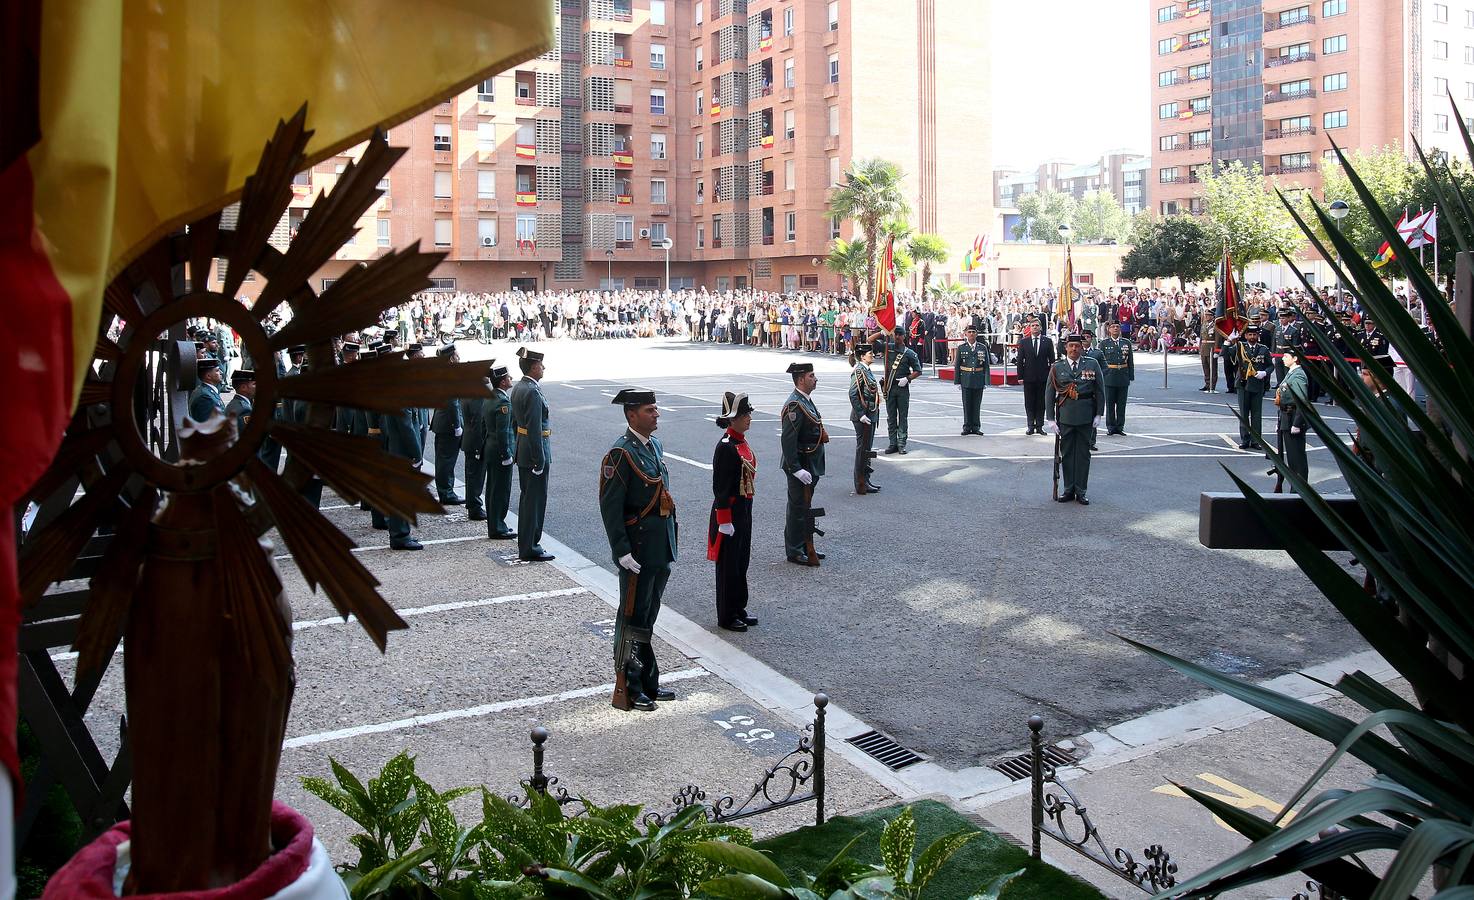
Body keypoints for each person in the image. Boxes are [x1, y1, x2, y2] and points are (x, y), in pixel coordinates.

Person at [599, 388, 678, 712]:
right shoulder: (620, 454)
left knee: (647, 617)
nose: (656, 415)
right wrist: (621, 550)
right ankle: (630, 688)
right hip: (639, 550)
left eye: (656, 409)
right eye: (650, 410)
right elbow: (610, 505)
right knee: (631, 619)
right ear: (632, 415)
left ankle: (649, 681)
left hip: (658, 548)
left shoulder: (653, 445)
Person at [709, 392, 759, 632]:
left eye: (748, 413)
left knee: (741, 561)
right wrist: (724, 520)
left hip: (744, 508)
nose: (748, 417)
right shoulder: (726, 446)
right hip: (730, 511)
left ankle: (739, 607)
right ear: (731, 419)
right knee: (729, 565)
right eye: (743, 414)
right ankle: (727, 615)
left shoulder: (741, 441)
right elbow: (720, 487)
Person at [1045, 334, 1104, 505]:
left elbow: (1100, 390)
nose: (1073, 349)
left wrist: (1099, 414)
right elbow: (1049, 393)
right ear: (1066, 348)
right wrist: (1050, 419)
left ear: (1082, 347)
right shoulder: (1058, 367)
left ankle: (1081, 490)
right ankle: (1068, 489)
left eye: (1077, 346)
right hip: (1066, 415)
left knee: (1084, 455)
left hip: (1086, 414)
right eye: (1071, 346)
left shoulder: (1092, 364)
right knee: (1068, 454)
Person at [780, 361, 826, 565]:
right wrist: (796, 469)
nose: (815, 379)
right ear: (800, 379)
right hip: (801, 465)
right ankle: (794, 550)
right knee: (797, 508)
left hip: (810, 463)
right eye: (811, 376)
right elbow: (788, 440)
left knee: (805, 507)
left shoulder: (805, 401)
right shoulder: (794, 405)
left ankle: (805, 545)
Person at [381, 348, 426, 551]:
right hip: (403, 452)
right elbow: (407, 427)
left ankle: (401, 533)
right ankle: (400, 535)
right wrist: (416, 454)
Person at [512, 347, 554, 562]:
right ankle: (531, 546)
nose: (543, 368)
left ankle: (526, 543)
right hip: (534, 452)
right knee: (535, 502)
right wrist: (539, 459)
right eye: (540, 365)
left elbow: (515, 424)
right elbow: (535, 429)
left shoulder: (520, 387)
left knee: (528, 500)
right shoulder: (532, 391)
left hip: (523, 450)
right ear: (533, 367)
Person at [482, 364, 518, 540]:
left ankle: (495, 523)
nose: (511, 379)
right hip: (499, 451)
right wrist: (506, 454)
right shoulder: (503, 401)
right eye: (509, 378)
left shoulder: (490, 397)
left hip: (490, 448)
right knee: (500, 490)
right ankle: (497, 527)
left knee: (492, 489)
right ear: (503, 382)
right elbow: (503, 431)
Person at [430, 344, 465, 505]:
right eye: (457, 356)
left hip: (442, 422)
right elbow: (453, 403)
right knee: (446, 461)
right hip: (448, 424)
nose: (459, 357)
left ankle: (445, 490)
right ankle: (446, 493)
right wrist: (457, 426)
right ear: (451, 358)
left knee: (444, 460)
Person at [848, 342, 881, 494]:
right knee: (862, 451)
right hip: (864, 415)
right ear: (862, 356)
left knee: (867, 450)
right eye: (870, 354)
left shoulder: (866, 370)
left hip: (871, 413)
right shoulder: (859, 371)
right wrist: (861, 415)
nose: (872, 355)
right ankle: (860, 482)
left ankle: (866, 479)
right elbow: (853, 394)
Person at [881, 333, 922, 454]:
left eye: (899, 335)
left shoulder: (908, 353)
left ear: (904, 336)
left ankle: (901, 443)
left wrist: (908, 379)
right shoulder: (888, 347)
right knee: (891, 417)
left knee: (903, 417)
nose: (897, 337)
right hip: (889, 387)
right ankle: (892, 443)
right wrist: (882, 332)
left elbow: (918, 370)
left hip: (902, 387)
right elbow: (869, 340)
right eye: (895, 335)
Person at [1276, 348, 1311, 488]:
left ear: (1295, 358)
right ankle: (1295, 486)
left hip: (1293, 419)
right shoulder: (1291, 374)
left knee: (1297, 458)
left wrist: (1297, 423)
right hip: (1286, 417)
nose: (1283, 358)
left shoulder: (1298, 376)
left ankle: (1299, 488)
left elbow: (1301, 401)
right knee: (1291, 457)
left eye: (1286, 356)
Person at [461, 364, 491, 522]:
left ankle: (472, 504)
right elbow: (480, 421)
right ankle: (474, 507)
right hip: (476, 441)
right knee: (476, 476)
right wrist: (481, 445)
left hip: (470, 438)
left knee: (472, 474)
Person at [1236, 324, 1273, 450]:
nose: (1252, 337)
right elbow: (1225, 353)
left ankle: (1256, 440)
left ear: (1258, 335)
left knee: (1256, 415)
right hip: (1243, 384)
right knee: (1244, 414)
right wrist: (1228, 341)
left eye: (1254, 334)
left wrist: (1265, 373)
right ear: (1246, 335)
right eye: (1250, 334)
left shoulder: (1263, 349)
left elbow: (1270, 366)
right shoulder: (1240, 346)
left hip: (1257, 385)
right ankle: (1245, 439)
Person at [1016, 317, 1054, 434]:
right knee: (1029, 402)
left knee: (1041, 402)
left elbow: (1052, 360)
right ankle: (1030, 426)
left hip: (1043, 377)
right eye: (1033, 326)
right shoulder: (1024, 342)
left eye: (1037, 325)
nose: (1035, 327)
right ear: (1030, 328)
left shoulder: (1047, 341)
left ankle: (1040, 426)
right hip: (1028, 377)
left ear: (1041, 328)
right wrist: (1020, 377)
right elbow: (1020, 360)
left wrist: (1051, 376)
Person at [953, 323, 989, 436]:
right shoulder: (961, 348)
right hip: (966, 378)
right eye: (969, 332)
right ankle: (967, 426)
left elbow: (986, 365)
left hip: (978, 378)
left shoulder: (982, 347)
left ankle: (976, 426)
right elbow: (957, 365)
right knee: (967, 404)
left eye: (973, 332)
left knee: (977, 404)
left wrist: (986, 381)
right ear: (965, 334)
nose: (971, 334)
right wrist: (957, 381)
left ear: (976, 334)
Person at [1099, 320, 1134, 435]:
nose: (1115, 329)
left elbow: (1130, 361)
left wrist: (1130, 375)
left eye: (1117, 327)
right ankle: (1111, 426)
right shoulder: (1104, 344)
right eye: (1113, 327)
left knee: (1121, 404)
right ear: (1109, 329)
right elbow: (1100, 362)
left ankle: (1120, 426)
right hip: (1109, 376)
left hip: (1123, 376)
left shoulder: (1126, 343)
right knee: (1110, 404)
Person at [1081, 330, 1106, 451]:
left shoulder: (1097, 353)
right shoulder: (1076, 351)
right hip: (1080, 386)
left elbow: (1105, 368)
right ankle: (1082, 440)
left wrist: (1098, 377)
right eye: (1083, 337)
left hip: (1092, 386)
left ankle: (1091, 441)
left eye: (1088, 337)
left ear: (1092, 338)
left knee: (1092, 415)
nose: (1086, 339)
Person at [188, 358, 227, 422]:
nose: (221, 372)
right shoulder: (205, 397)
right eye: (217, 370)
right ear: (208, 376)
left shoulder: (207, 391)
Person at [1198, 310, 1219, 392]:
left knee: (1212, 367)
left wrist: (1216, 350)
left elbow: (1217, 339)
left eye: (1208, 315)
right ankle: (1207, 384)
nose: (1206, 316)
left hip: (1211, 348)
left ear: (1212, 316)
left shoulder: (1215, 326)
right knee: (1205, 367)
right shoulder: (1204, 324)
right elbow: (1201, 337)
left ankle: (1212, 385)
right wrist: (1200, 347)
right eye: (1206, 315)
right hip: (1204, 347)